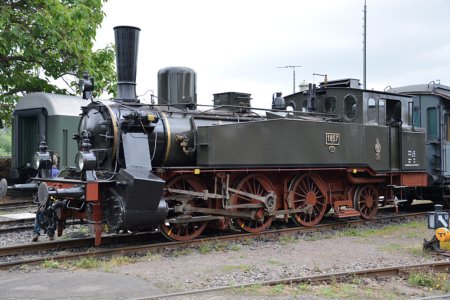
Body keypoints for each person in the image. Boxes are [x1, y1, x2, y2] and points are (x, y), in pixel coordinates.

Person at [32, 155, 60, 242]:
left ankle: (36, 233)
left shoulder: (42, 172)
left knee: (40, 213)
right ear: (56, 162)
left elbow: (36, 182)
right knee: (53, 215)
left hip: (43, 196)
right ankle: (51, 234)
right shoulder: (58, 172)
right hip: (54, 197)